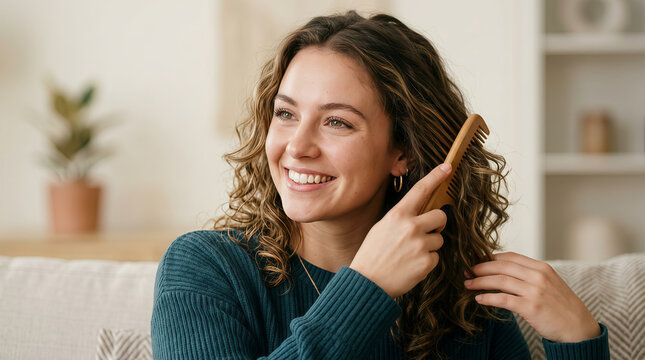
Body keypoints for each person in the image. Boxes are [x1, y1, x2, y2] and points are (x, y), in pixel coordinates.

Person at [151, 10, 609, 359]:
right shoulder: (206, 269)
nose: (298, 146)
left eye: (336, 122)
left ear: (403, 152)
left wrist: (578, 340)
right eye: (286, 113)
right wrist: (366, 289)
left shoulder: (465, 299)